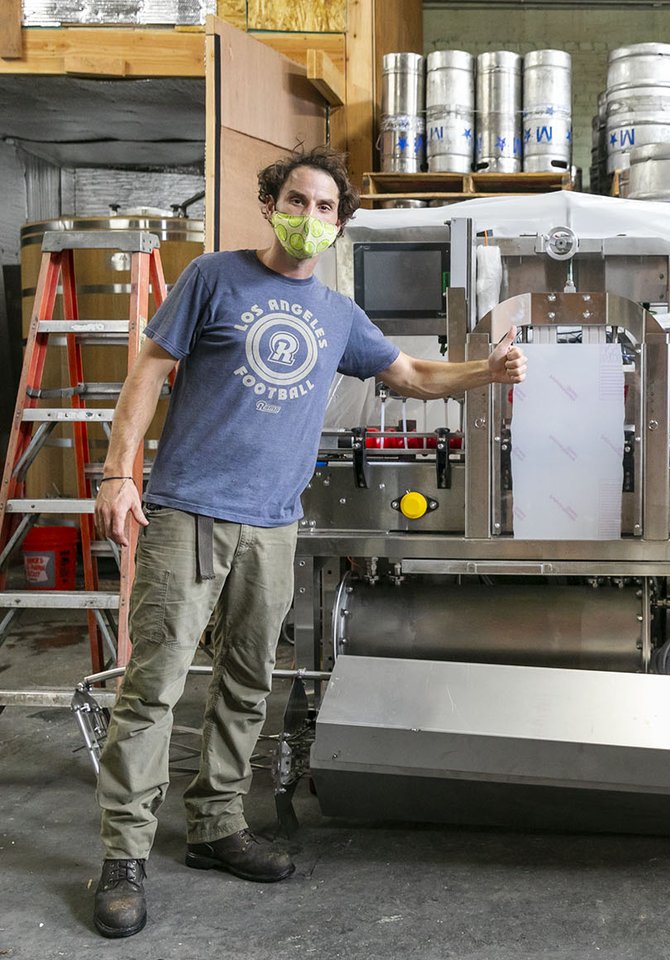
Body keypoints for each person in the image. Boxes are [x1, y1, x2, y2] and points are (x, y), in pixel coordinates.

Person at [89, 146, 527, 938]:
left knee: (248, 681)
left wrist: (485, 374)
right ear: (271, 203)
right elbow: (148, 373)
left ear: (340, 222)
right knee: (154, 685)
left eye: (327, 208)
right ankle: (124, 855)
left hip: (273, 522)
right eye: (299, 200)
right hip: (188, 511)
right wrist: (118, 473)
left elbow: (412, 376)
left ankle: (217, 826)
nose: (312, 217)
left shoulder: (338, 315)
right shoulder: (214, 278)